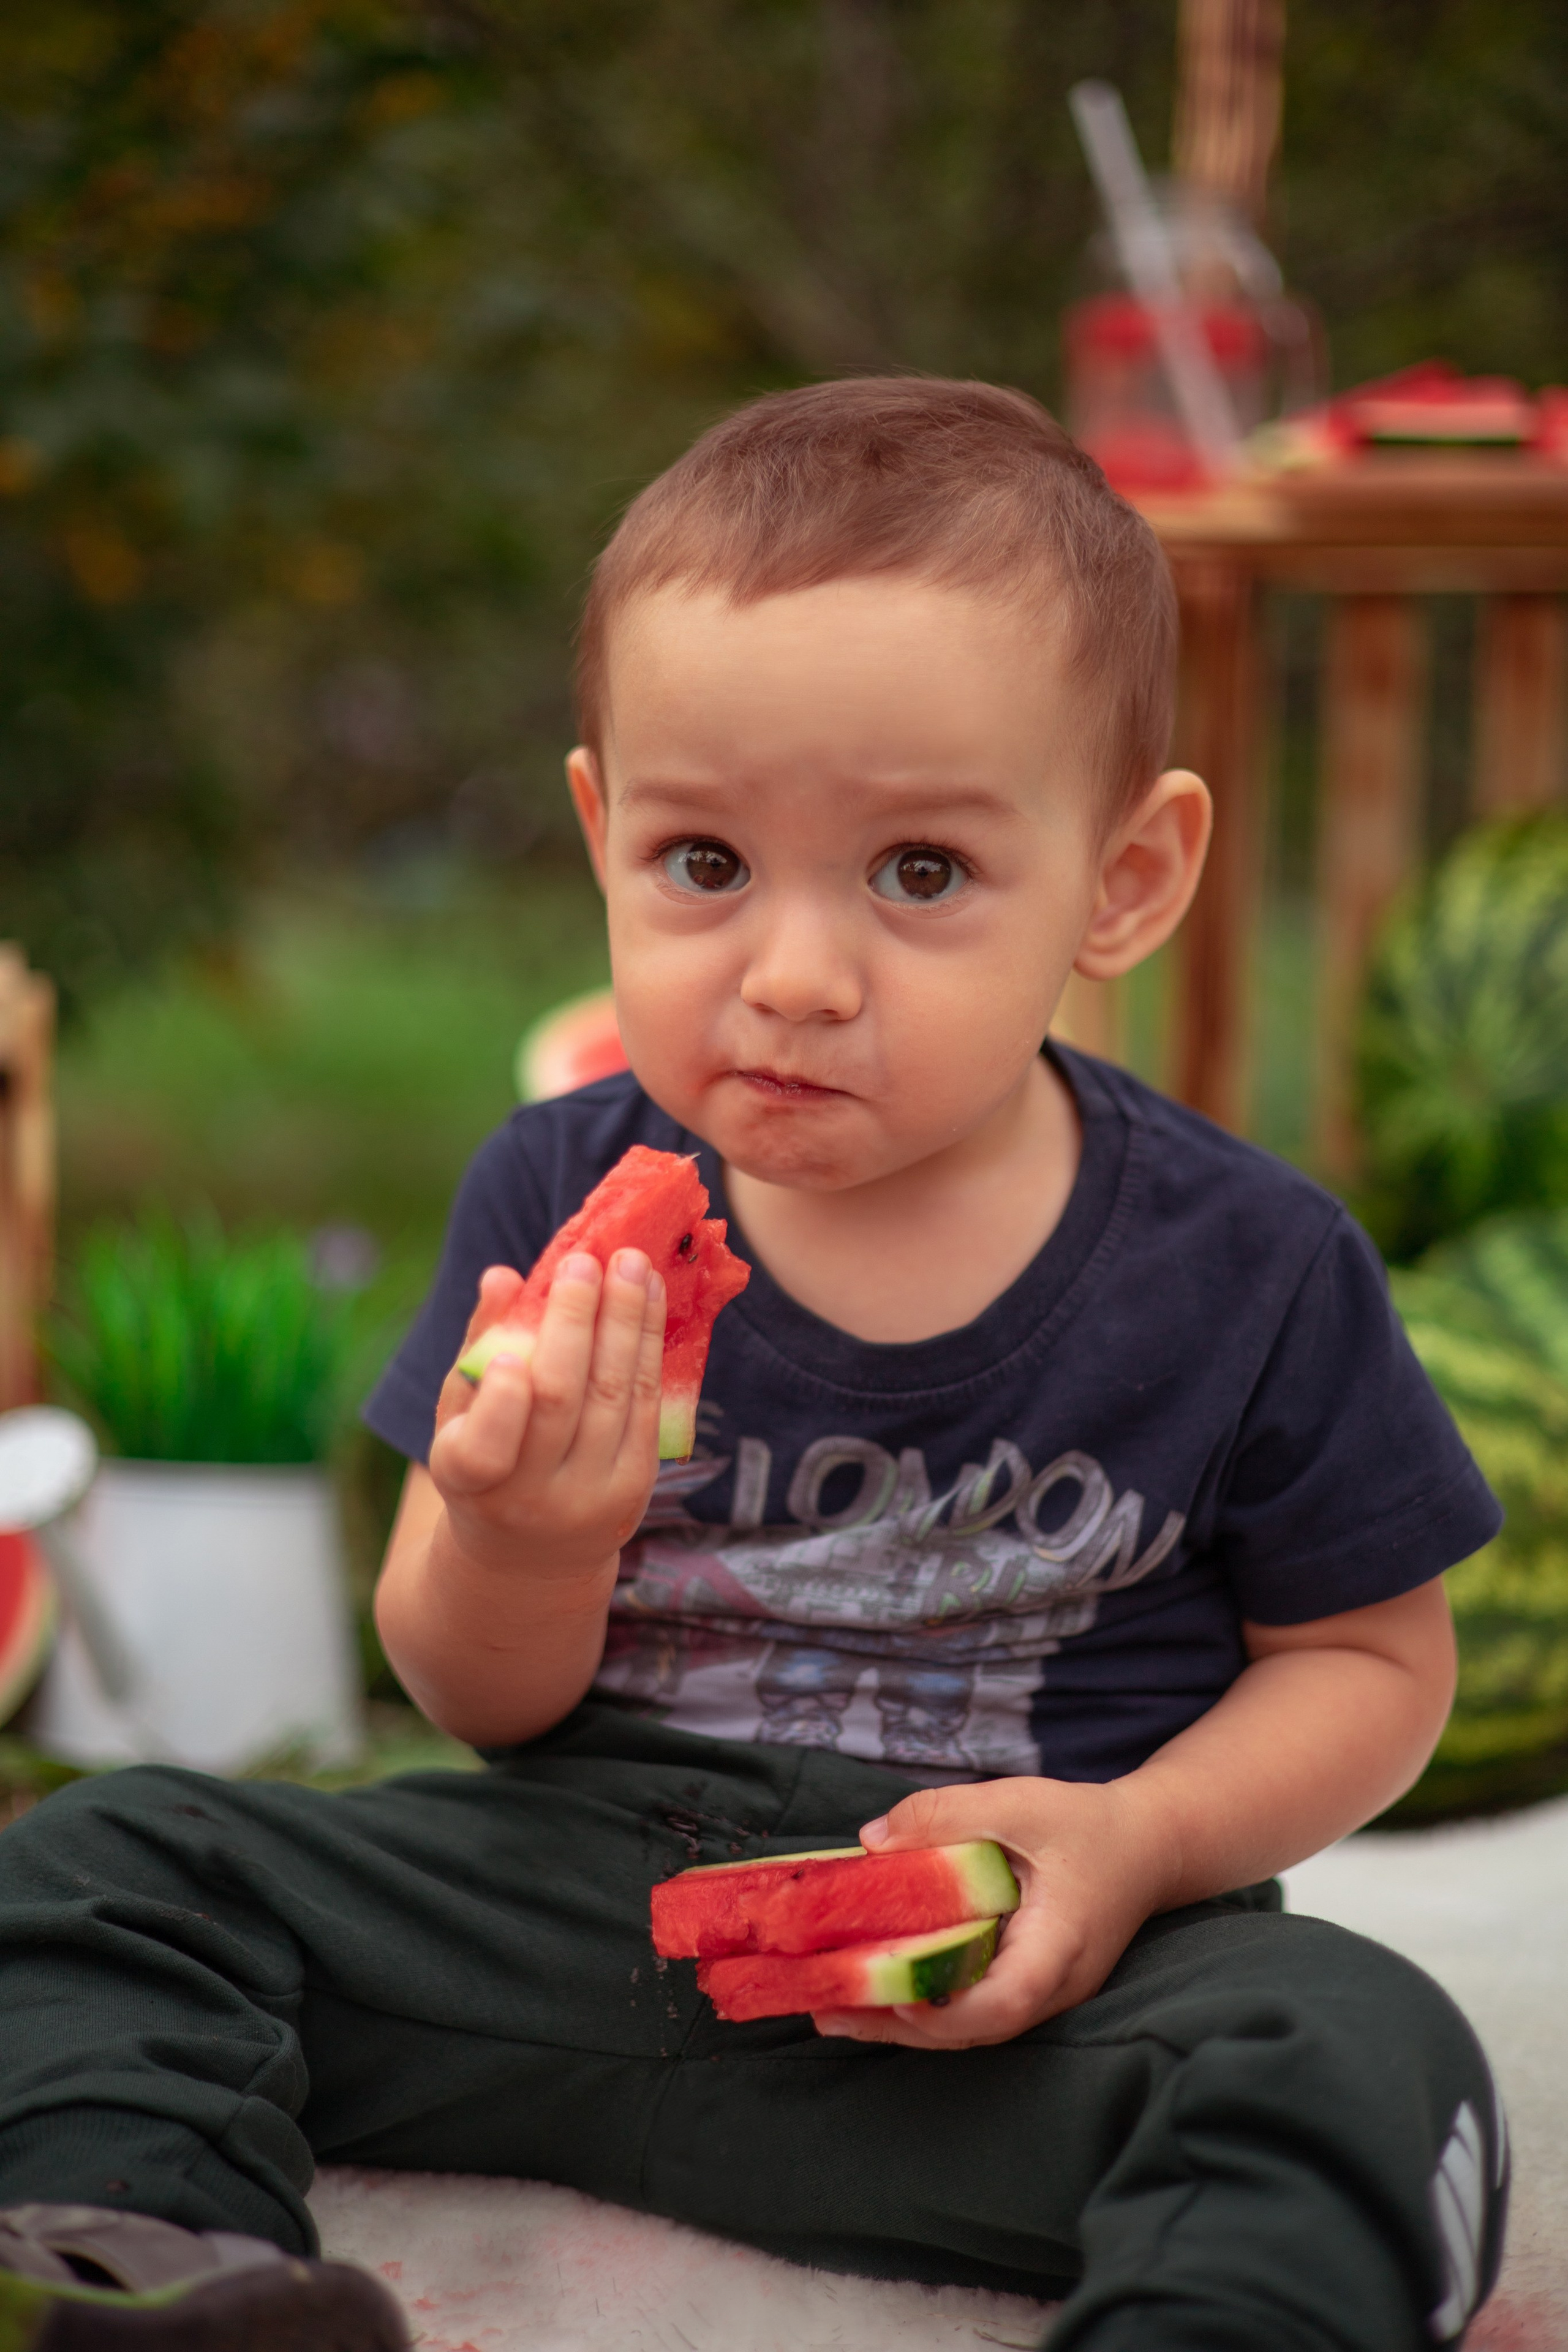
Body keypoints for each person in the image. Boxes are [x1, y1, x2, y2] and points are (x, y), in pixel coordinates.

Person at [0, 379, 1507, 2352]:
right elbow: (470, 1695)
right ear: (600, 833)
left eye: (919, 872)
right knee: (107, 1866)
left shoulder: (1255, 1266)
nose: (793, 977)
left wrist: (1140, 1845)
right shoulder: (559, 1190)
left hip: (1022, 1972)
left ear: (1124, 880)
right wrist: (523, 1544)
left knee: (1361, 2043)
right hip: (577, 1916)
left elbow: (1375, 1667)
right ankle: (154, 2279)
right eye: (705, 863)